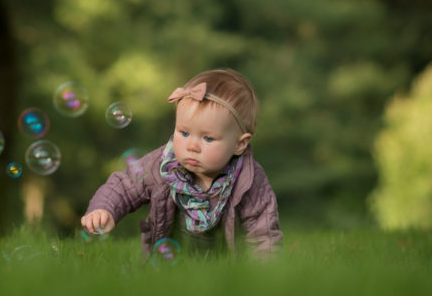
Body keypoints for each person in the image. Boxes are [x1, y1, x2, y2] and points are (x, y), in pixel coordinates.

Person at [81, 68, 282, 259]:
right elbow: (124, 186)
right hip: (167, 264)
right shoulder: (162, 165)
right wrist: (103, 209)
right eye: (184, 133)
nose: (192, 146)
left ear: (240, 144)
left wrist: (265, 274)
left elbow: (263, 235)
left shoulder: (249, 181)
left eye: (208, 139)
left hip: (225, 273)